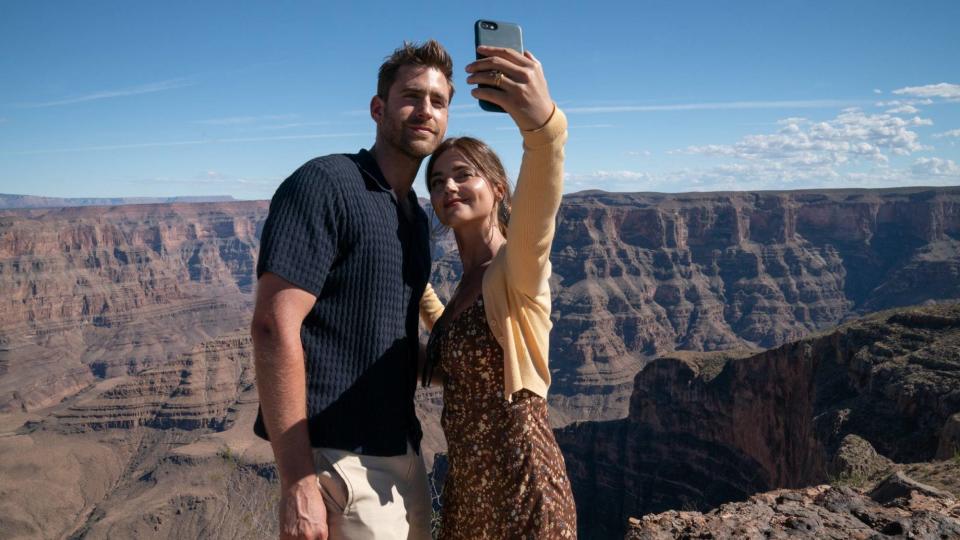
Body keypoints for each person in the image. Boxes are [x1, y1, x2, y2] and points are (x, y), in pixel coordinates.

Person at [251, 40, 454, 540]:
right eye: (411, 96)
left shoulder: (413, 217)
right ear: (378, 108)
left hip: (403, 452)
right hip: (339, 460)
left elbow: (387, 338)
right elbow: (274, 326)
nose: (425, 110)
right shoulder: (326, 183)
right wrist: (297, 482)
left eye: (438, 100)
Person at [419, 45, 577, 538]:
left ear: (498, 189)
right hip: (468, 487)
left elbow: (541, 205)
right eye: (439, 180)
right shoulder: (470, 281)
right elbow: (452, 331)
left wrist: (543, 128)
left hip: (522, 484)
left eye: (463, 175)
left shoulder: (517, 268)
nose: (449, 187)